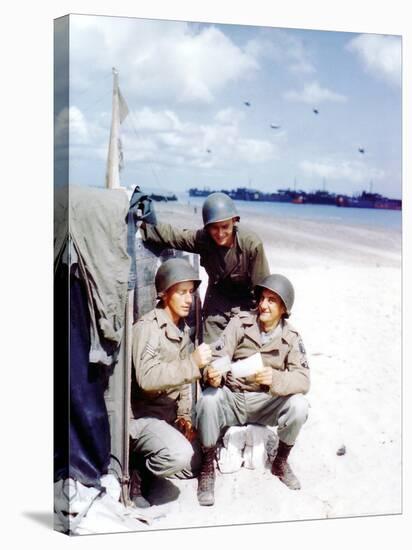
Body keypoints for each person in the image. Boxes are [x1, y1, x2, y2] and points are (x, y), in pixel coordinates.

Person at [195, 274, 310, 506]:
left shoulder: (291, 336)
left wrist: (276, 378)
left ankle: (280, 461)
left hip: (267, 401)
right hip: (234, 398)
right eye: (263, 299)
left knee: (299, 405)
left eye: (272, 301)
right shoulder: (240, 322)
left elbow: (303, 379)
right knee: (208, 399)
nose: (264, 305)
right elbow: (219, 354)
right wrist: (214, 374)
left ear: (284, 308)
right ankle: (207, 467)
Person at [129, 258, 212, 507]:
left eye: (191, 292)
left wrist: (185, 416)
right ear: (165, 295)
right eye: (182, 292)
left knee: (196, 462)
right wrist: (192, 364)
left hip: (168, 418)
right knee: (179, 455)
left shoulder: (181, 329)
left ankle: (156, 460)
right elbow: (147, 377)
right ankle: (137, 470)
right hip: (142, 421)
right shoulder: (148, 328)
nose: (189, 299)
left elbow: (184, 384)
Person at [141, 192, 270, 343]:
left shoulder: (251, 245)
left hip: (247, 303)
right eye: (214, 228)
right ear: (207, 228)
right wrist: (143, 226)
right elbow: (175, 236)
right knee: (210, 351)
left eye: (225, 226)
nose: (220, 233)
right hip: (217, 300)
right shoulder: (204, 239)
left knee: (246, 350)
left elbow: (263, 290)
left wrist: (263, 321)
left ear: (234, 221)